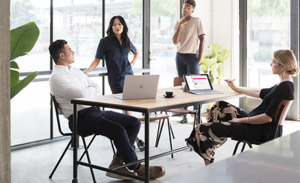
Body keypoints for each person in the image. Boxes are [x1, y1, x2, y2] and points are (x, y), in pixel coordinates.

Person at [49, 40, 166, 180]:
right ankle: (137, 167)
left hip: (95, 111)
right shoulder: (56, 78)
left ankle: (117, 164)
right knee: (118, 130)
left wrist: (87, 90)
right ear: (62, 55)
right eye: (70, 50)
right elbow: (81, 95)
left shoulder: (75, 71)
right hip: (79, 118)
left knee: (133, 122)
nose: (73, 52)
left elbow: (96, 88)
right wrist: (87, 90)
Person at [185, 49, 299, 166]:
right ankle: (212, 141)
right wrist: (236, 88)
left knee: (200, 129)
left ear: (282, 66)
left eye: (273, 62)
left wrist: (240, 120)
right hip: (257, 125)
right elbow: (259, 92)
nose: (270, 64)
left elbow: (267, 118)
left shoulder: (284, 87)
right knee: (220, 106)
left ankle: (209, 163)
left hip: (256, 130)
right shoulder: (284, 84)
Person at [84, 15, 145, 151]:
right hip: (116, 79)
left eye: (120, 24)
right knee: (125, 107)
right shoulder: (105, 42)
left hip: (129, 76)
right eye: (114, 25)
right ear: (111, 27)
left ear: (123, 26)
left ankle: (132, 138)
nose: (117, 27)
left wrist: (133, 63)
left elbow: (136, 52)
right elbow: (97, 60)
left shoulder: (126, 40)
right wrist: (86, 71)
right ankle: (136, 139)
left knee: (128, 107)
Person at [172, 0, 205, 123]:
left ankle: (197, 114)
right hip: (180, 56)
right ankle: (186, 114)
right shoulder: (178, 23)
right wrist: (180, 25)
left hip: (192, 57)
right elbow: (175, 41)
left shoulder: (197, 21)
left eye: (188, 8)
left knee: (195, 86)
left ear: (192, 10)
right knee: (183, 85)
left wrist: (199, 58)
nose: (185, 10)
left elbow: (202, 39)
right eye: (184, 7)